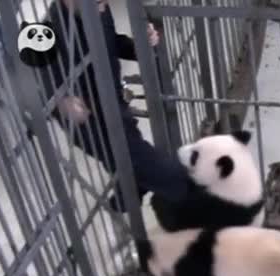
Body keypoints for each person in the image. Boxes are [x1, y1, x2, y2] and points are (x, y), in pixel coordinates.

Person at [40, 0, 190, 213]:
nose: (105, 6)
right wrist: (60, 102)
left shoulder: (97, 6)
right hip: (87, 118)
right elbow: (29, 82)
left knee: (126, 156)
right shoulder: (45, 31)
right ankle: (195, 194)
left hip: (112, 100)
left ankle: (128, 196)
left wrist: (139, 46)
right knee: (142, 162)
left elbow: (112, 42)